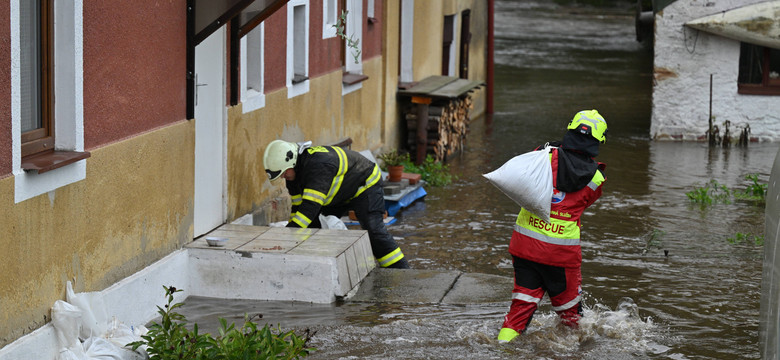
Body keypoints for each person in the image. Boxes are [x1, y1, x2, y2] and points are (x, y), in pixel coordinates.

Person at [497, 109, 608, 343]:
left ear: (570, 130)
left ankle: (501, 348)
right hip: (561, 256)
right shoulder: (596, 179)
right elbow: (583, 202)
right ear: (599, 141)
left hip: (525, 247)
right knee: (571, 317)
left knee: (520, 310)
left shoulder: (541, 156)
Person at [263, 140, 410, 269]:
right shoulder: (293, 174)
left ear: (292, 161)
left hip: (364, 184)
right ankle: (315, 262)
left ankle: (398, 269)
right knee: (312, 225)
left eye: (283, 173)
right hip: (342, 192)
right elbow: (297, 208)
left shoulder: (318, 165)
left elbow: (309, 209)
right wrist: (291, 237)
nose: (283, 177)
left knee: (373, 229)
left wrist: (286, 236)